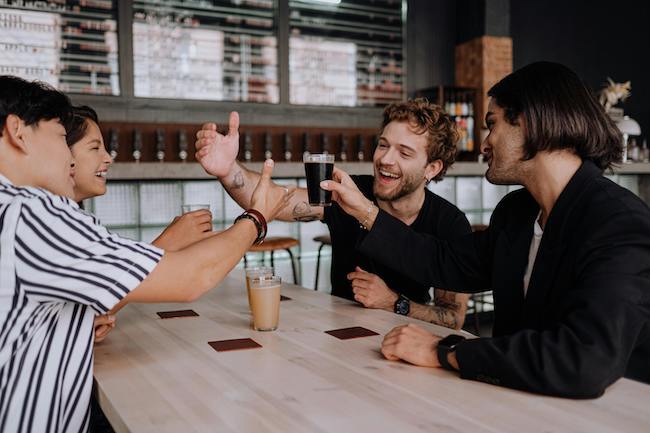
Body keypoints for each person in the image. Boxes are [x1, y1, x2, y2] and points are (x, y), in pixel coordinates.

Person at [320, 61, 650, 398]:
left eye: (492, 125)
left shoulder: (618, 221)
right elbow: (443, 260)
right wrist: (364, 210)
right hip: (518, 398)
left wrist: (443, 351)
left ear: (529, 124)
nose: (484, 143)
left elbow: (585, 361)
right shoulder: (517, 212)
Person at [0, 75, 289, 432]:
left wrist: (66, 327)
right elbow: (190, 278)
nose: (68, 158)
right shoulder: (29, 212)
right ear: (18, 131)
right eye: (61, 138)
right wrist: (257, 217)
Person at [195, 99, 471, 329]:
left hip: (410, 338)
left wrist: (394, 303)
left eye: (405, 153)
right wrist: (228, 169)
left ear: (432, 168)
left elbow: (453, 318)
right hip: (340, 330)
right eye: (384, 145)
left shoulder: (450, 224)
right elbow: (277, 201)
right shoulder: (349, 192)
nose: (386, 159)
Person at [66, 105, 218, 342]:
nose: (108, 158)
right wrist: (257, 216)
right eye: (95, 148)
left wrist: (80, 326)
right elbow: (192, 281)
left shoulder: (74, 219)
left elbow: (93, 302)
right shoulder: (55, 224)